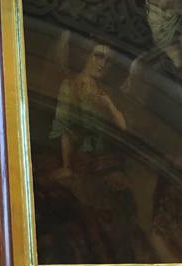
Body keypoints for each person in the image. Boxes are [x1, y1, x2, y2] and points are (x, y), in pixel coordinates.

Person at [49, 42, 126, 179]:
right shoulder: (70, 86)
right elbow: (63, 127)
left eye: (107, 60)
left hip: (104, 160)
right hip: (81, 160)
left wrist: (109, 105)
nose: (102, 64)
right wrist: (67, 166)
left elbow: (123, 127)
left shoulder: (105, 91)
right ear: (86, 55)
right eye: (98, 56)